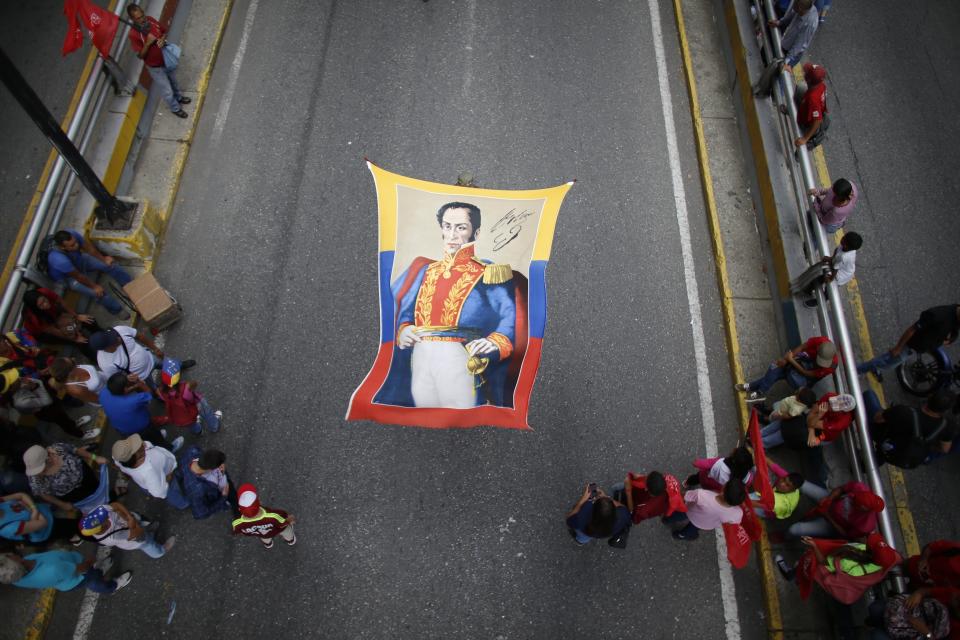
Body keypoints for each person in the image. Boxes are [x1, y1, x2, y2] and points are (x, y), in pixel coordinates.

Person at [374, 201, 519, 409]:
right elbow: (406, 312)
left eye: (460, 227)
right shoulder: (426, 270)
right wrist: (404, 330)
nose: (452, 234)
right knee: (424, 410)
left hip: (459, 353)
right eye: (447, 226)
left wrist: (497, 340)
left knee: (460, 411)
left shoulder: (486, 272)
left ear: (475, 233)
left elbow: (509, 313)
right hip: (421, 354)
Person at [776, 532, 901, 605]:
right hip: (833, 561)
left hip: (826, 567)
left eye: (871, 544)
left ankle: (792, 575)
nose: (867, 539)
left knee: (806, 565)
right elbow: (896, 557)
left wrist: (814, 546)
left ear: (870, 553)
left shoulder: (849, 565)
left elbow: (823, 562)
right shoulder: (885, 560)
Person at [858, 304, 960, 382]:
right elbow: (912, 329)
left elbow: (955, 329)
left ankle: (872, 367)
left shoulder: (956, 316)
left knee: (886, 361)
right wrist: (898, 348)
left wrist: (952, 338)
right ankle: (857, 371)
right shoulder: (937, 315)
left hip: (919, 347)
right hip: (909, 346)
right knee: (886, 363)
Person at [45, 230, 132, 317]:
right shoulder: (59, 260)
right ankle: (116, 310)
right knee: (98, 293)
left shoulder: (72, 234)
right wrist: (94, 287)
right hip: (69, 277)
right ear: (62, 247)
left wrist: (104, 259)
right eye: (72, 245)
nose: (77, 245)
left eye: (75, 242)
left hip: (77, 260)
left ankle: (130, 286)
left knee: (111, 265)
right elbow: (78, 276)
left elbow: (89, 249)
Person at [864, 389, 957, 468]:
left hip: (885, 439)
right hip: (906, 460)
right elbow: (945, 449)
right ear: (946, 410)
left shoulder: (903, 411)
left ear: (930, 397)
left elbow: (877, 419)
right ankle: (875, 461)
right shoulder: (948, 426)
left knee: (869, 394)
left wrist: (889, 412)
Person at [1, 367, 99, 441]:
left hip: (48, 402)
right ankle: (81, 435)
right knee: (63, 422)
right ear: (10, 388)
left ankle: (74, 424)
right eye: (13, 380)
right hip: (46, 411)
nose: (18, 378)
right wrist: (36, 385)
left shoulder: (18, 384)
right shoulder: (21, 402)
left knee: (64, 416)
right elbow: (47, 401)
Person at [126, 4, 190, 118]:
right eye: (138, 18)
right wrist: (147, 43)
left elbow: (164, 31)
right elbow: (140, 55)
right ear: (132, 19)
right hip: (155, 67)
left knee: (173, 82)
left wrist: (162, 39)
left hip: (165, 60)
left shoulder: (150, 20)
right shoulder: (134, 34)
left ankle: (179, 98)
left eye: (142, 15)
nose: (143, 19)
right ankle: (175, 108)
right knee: (167, 90)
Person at [99, 372, 183, 452]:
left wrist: (127, 383)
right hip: (143, 429)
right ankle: (170, 448)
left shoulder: (103, 393)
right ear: (125, 389)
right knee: (158, 440)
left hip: (123, 430)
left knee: (143, 443)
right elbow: (149, 394)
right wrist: (139, 383)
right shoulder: (133, 400)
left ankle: (153, 442)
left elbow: (121, 390)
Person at [736, 335, 838, 401]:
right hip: (802, 362)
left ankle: (754, 388)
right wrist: (786, 359)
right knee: (775, 368)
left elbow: (807, 373)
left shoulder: (831, 366)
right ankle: (759, 391)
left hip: (804, 377)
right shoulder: (821, 341)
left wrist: (791, 360)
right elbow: (802, 347)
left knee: (779, 374)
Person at [24, 443, 107, 514]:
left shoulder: (58, 450)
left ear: (48, 457)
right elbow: (43, 493)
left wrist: (95, 457)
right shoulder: (35, 478)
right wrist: (62, 504)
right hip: (72, 494)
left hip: (85, 475)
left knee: (97, 488)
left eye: (40, 468)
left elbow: (76, 450)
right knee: (89, 504)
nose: (39, 473)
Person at [21, 288, 102, 360]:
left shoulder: (44, 292)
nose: (45, 304)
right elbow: (54, 331)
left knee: (89, 320)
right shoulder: (34, 318)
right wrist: (74, 337)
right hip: (45, 333)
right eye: (41, 305)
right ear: (36, 308)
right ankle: (96, 359)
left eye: (44, 300)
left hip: (56, 315)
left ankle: (103, 336)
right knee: (81, 342)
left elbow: (62, 302)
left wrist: (76, 316)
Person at [0, 549, 131, 594]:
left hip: (68, 569)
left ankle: (99, 570)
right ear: (17, 565)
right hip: (78, 575)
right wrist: (89, 562)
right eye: (8, 557)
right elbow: (81, 568)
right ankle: (112, 587)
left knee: (94, 573)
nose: (9, 553)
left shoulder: (17, 576)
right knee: (94, 581)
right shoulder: (52, 570)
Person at [112, 434, 188, 510]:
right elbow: (159, 492)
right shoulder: (148, 472)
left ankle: (180, 479)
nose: (142, 443)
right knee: (174, 494)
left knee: (178, 478)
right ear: (135, 456)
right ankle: (184, 504)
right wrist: (169, 476)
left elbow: (116, 462)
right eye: (138, 447)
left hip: (158, 475)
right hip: (167, 480)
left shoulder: (121, 459)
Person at [787, 481, 884, 539]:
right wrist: (829, 499)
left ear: (864, 510)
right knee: (801, 484)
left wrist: (828, 517)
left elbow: (846, 535)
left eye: (856, 504)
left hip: (831, 524)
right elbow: (841, 489)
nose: (853, 500)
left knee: (795, 529)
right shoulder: (860, 488)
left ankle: (785, 537)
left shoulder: (866, 525)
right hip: (830, 501)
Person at [761, 392, 855, 450]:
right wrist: (811, 429)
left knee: (791, 433)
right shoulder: (830, 396)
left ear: (842, 411)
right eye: (830, 403)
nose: (829, 406)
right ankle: (759, 434)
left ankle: (762, 444)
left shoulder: (841, 422)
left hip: (823, 434)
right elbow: (811, 415)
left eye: (834, 407)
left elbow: (811, 420)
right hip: (814, 423)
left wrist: (819, 415)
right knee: (785, 422)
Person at [79, 503, 175, 559]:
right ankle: (160, 551)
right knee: (149, 544)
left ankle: (150, 532)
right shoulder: (112, 537)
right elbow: (138, 532)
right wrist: (131, 521)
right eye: (104, 519)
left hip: (131, 526)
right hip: (137, 540)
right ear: (99, 528)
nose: (107, 516)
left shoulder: (95, 515)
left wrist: (128, 516)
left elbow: (115, 505)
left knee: (145, 530)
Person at [791, 233, 862, 306]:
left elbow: (835, 268)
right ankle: (809, 289)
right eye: (843, 238)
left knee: (828, 290)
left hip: (841, 274)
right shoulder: (845, 246)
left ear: (847, 246)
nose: (842, 240)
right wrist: (831, 258)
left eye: (844, 241)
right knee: (819, 278)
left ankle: (819, 301)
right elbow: (837, 251)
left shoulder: (844, 257)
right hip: (837, 266)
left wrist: (831, 278)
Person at [156, 358, 221, 435]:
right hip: (194, 405)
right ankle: (214, 426)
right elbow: (194, 387)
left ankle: (198, 431)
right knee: (206, 410)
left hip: (180, 415)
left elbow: (162, 397)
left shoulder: (160, 391)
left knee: (190, 424)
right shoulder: (186, 387)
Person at [669, 480, 746, 541]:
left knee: (678, 515)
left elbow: (684, 496)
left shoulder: (702, 494)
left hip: (689, 511)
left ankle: (668, 519)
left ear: (724, 488)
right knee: (691, 529)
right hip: (705, 524)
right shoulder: (738, 514)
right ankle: (680, 535)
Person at [0, 491, 81, 546]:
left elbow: (21, 495)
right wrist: (30, 508)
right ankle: (75, 537)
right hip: (47, 528)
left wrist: (33, 509)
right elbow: (42, 523)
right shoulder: (8, 528)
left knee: (70, 522)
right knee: (75, 526)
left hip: (44, 511)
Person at [232, 483, 297, 549]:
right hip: (277, 529)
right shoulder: (273, 516)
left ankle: (268, 544)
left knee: (265, 537)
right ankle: (291, 540)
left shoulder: (237, 523)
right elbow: (283, 522)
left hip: (262, 534)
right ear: (258, 502)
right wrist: (289, 520)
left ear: (239, 509)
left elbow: (239, 531)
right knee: (286, 531)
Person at [180, 446, 238, 519]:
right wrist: (223, 497)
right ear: (211, 469)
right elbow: (201, 514)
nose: (222, 466)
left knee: (232, 492)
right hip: (220, 493)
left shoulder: (193, 450)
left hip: (219, 484)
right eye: (219, 466)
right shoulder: (196, 491)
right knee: (233, 498)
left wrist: (222, 471)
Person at [565, 483, 631, 545]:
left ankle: (580, 541)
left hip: (586, 530)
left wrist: (583, 499)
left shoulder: (583, 514)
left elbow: (569, 519)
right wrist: (605, 497)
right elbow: (621, 506)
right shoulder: (623, 515)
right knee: (586, 535)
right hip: (604, 533)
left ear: (593, 508)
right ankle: (581, 541)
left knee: (583, 536)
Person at [619, 470, 685, 524]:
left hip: (633, 503)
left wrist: (628, 491)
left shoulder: (645, 508)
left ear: (647, 489)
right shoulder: (667, 483)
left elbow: (632, 513)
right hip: (653, 510)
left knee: (615, 489)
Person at [769, 0, 819, 69]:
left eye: (794, 5)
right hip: (787, 43)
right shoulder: (802, 9)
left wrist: (787, 61)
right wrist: (780, 22)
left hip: (793, 54)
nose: (792, 6)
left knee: (779, 71)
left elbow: (799, 44)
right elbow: (792, 14)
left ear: (800, 8)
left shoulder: (810, 23)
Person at [792, 62, 828, 149]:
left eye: (806, 73)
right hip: (809, 109)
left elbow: (817, 120)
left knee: (801, 88)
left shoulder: (813, 99)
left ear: (808, 80)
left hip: (807, 124)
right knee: (801, 87)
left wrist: (804, 138)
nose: (804, 73)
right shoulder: (821, 85)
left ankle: (799, 154)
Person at [686, 447, 755, 491]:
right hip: (717, 488)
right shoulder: (745, 476)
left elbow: (705, 463)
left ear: (734, 459)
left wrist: (696, 462)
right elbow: (749, 481)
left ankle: (687, 482)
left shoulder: (720, 463)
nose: (734, 449)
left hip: (705, 479)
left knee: (696, 478)